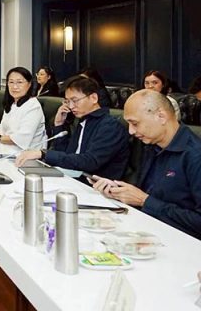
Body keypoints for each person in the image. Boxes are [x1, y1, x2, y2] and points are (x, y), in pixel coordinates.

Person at [92, 90, 201, 239]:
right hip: (147, 231)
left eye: (135, 123)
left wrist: (144, 201)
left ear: (161, 116)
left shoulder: (195, 156)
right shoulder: (151, 145)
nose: (131, 131)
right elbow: (148, 194)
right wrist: (119, 192)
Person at [15, 75, 130, 181]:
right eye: (67, 101)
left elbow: (89, 162)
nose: (70, 106)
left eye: (75, 101)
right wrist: (59, 125)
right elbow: (65, 154)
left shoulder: (110, 126)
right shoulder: (83, 120)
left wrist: (43, 154)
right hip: (71, 178)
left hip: (94, 187)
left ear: (94, 98)